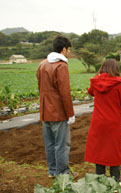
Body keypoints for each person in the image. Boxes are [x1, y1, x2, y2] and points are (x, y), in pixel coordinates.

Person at [85, 59, 121, 185]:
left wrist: (98, 76)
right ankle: (115, 180)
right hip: (113, 122)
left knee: (99, 150)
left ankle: (100, 180)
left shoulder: (96, 81)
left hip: (98, 122)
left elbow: (90, 92)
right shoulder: (119, 83)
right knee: (114, 151)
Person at [37, 36, 75, 178]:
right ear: (63, 50)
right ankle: (62, 173)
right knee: (62, 144)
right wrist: (70, 114)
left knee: (50, 144)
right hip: (58, 112)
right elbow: (65, 93)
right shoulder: (61, 65)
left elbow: (40, 87)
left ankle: (52, 171)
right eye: (69, 49)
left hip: (45, 110)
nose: (69, 52)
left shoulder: (42, 64)